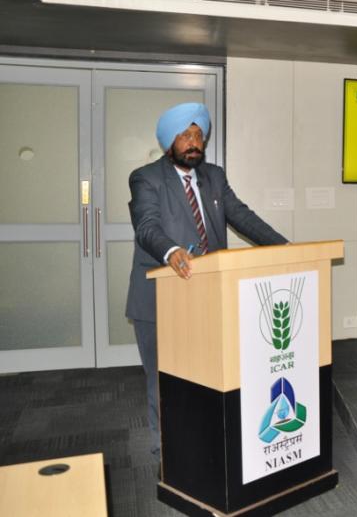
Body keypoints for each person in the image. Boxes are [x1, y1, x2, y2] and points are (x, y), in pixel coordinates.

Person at [126, 102, 288, 461]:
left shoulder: (214, 176)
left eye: (199, 135)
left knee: (210, 370)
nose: (193, 142)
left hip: (211, 293)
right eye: (185, 135)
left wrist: (284, 247)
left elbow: (243, 217)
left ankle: (207, 437)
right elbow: (146, 226)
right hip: (160, 296)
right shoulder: (146, 177)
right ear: (169, 141)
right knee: (162, 376)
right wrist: (171, 251)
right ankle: (166, 448)